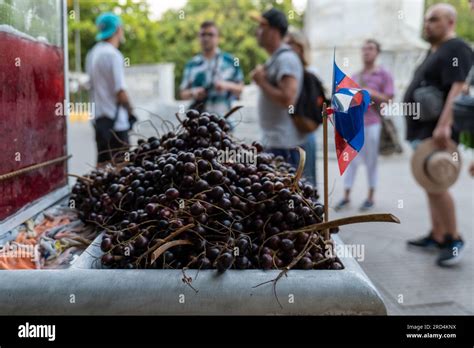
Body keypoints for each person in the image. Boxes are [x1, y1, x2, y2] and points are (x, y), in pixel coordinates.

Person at [404, 3, 473, 266]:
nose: (427, 24)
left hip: (437, 131)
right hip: (423, 130)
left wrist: (444, 125)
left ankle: (454, 239)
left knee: (439, 183)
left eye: (434, 19)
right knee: (430, 184)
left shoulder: (457, 49)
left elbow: (458, 87)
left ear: (451, 22)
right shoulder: (437, 50)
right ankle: (438, 234)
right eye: (426, 20)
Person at [335, 39, 394, 211]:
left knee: (371, 162)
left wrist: (370, 93)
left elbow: (389, 98)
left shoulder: (384, 74)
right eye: (364, 49)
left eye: (371, 48)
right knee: (350, 161)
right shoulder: (355, 76)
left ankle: (370, 197)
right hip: (355, 125)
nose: (366, 52)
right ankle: (346, 196)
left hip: (374, 124)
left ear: (377, 52)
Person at [250, 9, 305, 173]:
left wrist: (261, 82)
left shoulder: (285, 58)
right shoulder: (277, 58)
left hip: (284, 147)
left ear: (273, 31)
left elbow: (288, 99)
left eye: (261, 27)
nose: (257, 32)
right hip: (275, 143)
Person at [86, 12, 134, 165]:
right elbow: (120, 92)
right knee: (122, 169)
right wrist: (131, 111)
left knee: (102, 167)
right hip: (117, 124)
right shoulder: (113, 55)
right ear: (118, 29)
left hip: (100, 121)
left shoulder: (92, 54)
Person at [284, 29, 326, 188]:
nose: (285, 49)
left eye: (290, 45)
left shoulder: (309, 73)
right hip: (287, 134)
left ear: (300, 48)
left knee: (306, 183)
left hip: (303, 132)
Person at [180, 21, 244, 117]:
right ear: (198, 37)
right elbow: (182, 94)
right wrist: (194, 92)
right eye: (203, 35)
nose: (206, 38)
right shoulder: (191, 64)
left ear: (218, 38)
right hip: (198, 123)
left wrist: (226, 85)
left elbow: (241, 89)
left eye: (210, 34)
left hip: (224, 121)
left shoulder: (231, 61)